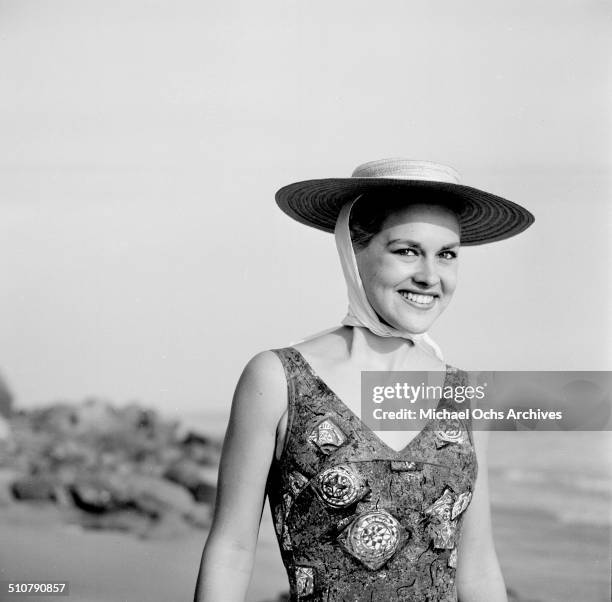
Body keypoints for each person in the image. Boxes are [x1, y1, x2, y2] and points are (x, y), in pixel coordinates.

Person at [194, 158, 535, 602]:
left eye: (446, 255)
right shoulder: (279, 379)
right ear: (354, 251)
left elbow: (479, 568)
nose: (430, 276)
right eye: (407, 250)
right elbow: (232, 550)